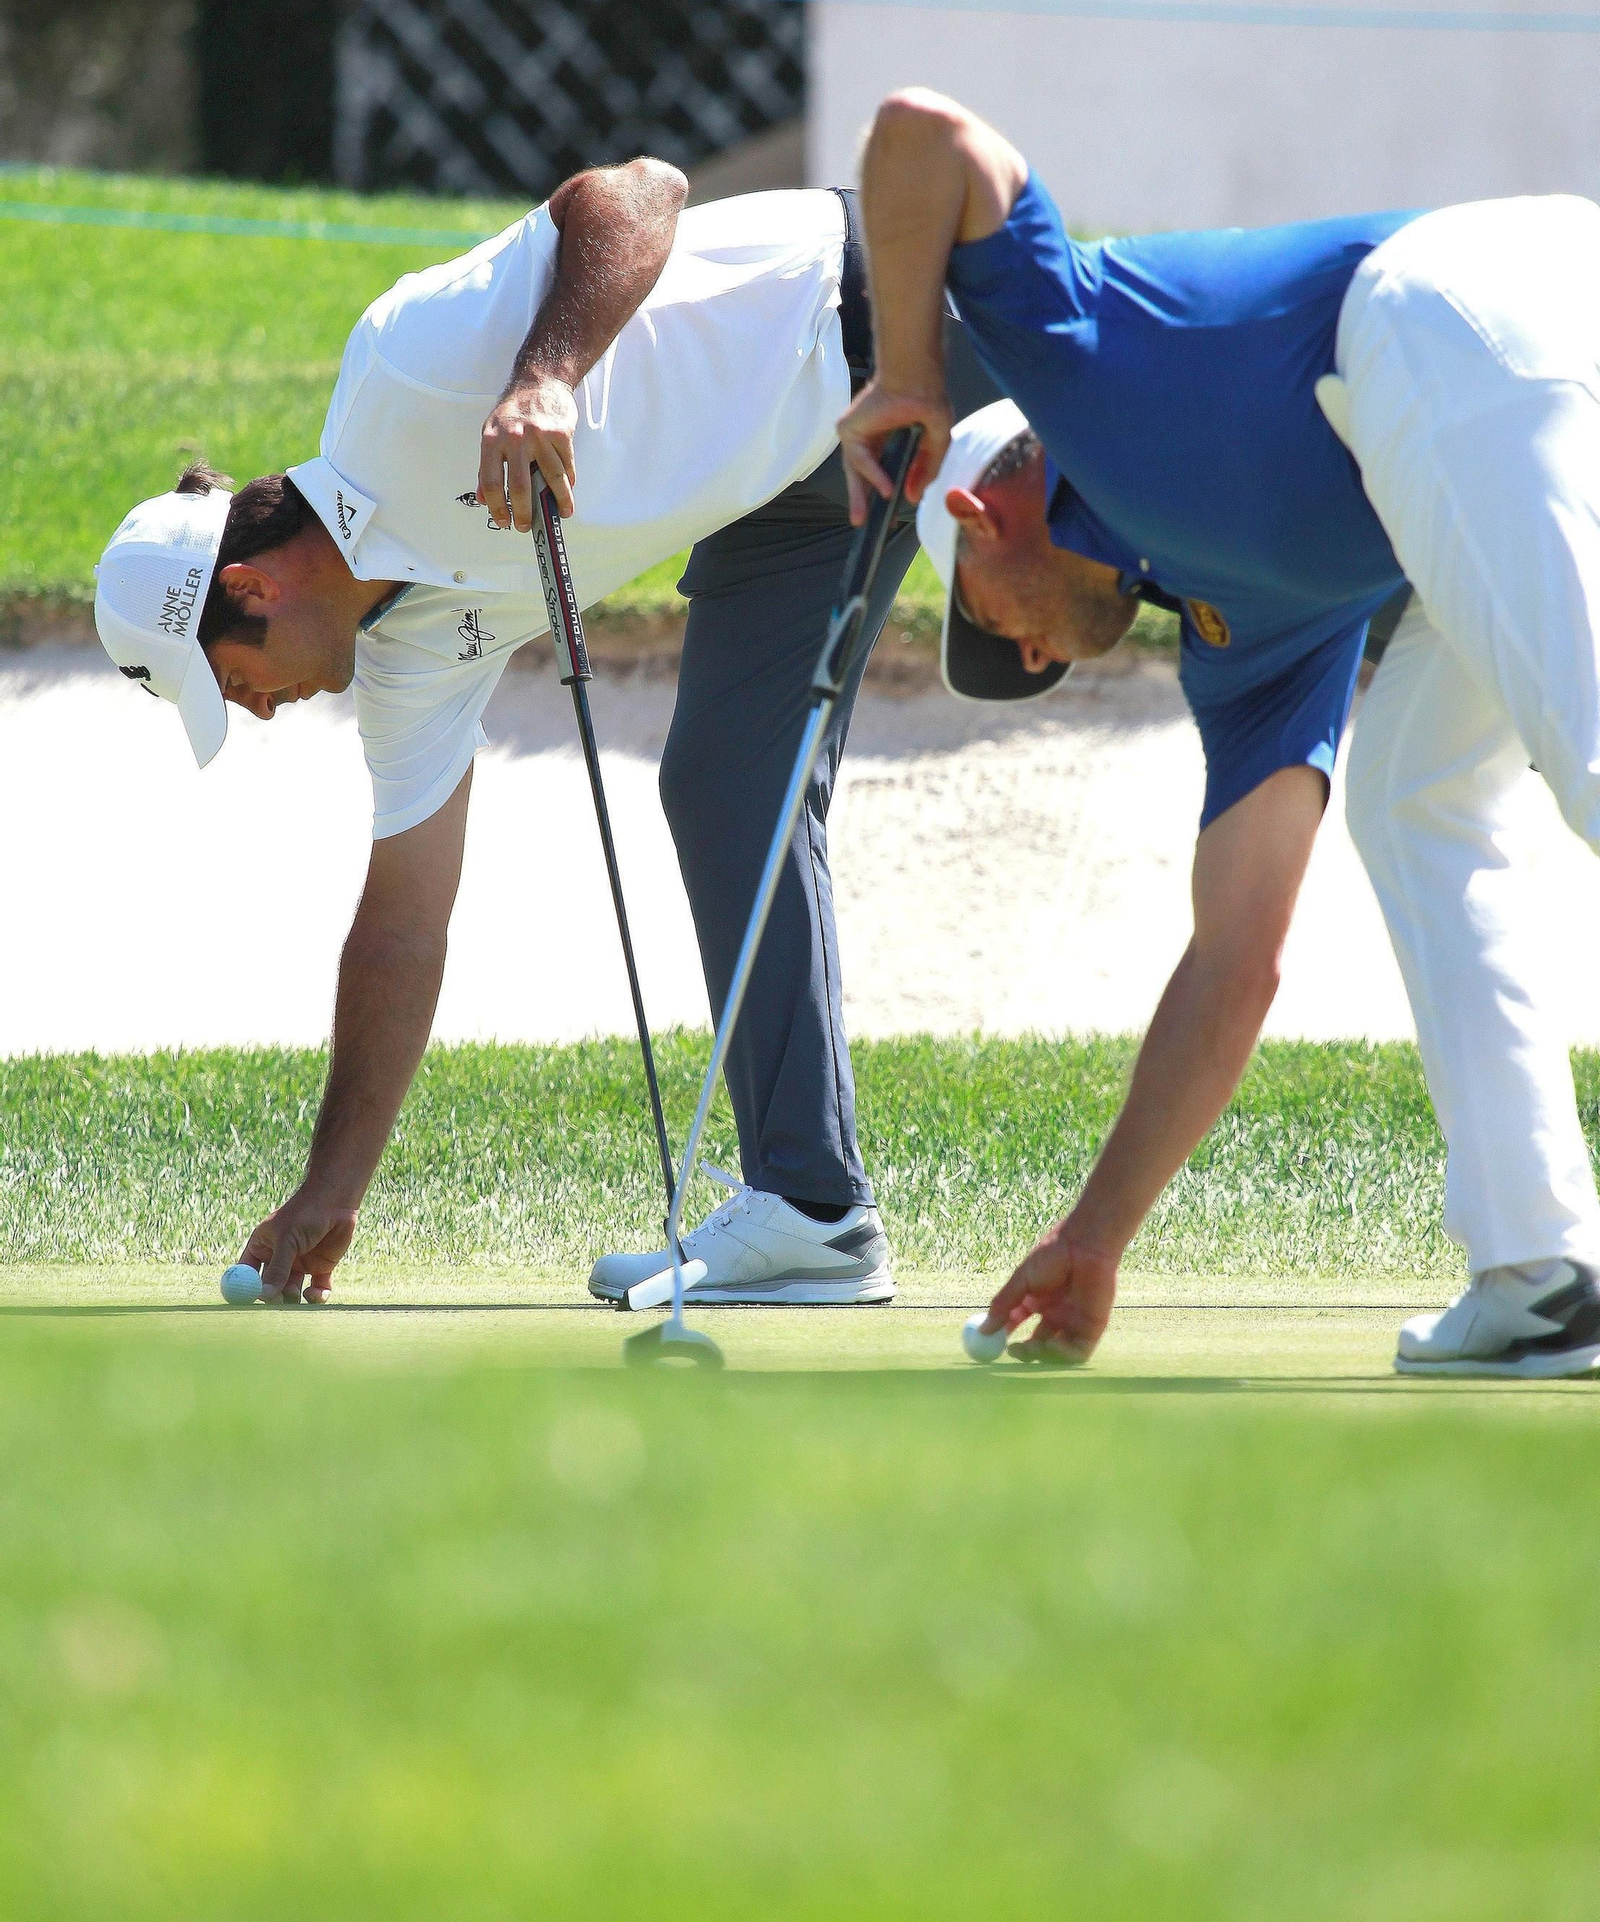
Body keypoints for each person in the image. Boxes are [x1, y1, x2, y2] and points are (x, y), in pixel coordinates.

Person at [95, 159, 994, 1308]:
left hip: (877, 311)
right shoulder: (409, 664)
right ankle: (815, 1213)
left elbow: (640, 192)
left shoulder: (398, 370)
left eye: (235, 684)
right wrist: (333, 1187)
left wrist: (546, 374)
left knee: (1173, 546)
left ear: (255, 590)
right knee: (723, 787)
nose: (260, 712)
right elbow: (401, 927)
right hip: (784, 494)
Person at [838, 85, 1600, 1380]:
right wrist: (1095, 1235)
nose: (1023, 655)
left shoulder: (1062, 367)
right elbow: (1234, 958)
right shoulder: (1240, 639)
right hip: (1490, 369)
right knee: (1410, 800)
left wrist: (906, 365)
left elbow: (923, 133)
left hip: (1470, 306)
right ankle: (1544, 1275)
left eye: (989, 627)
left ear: (978, 514)